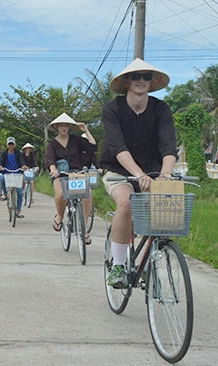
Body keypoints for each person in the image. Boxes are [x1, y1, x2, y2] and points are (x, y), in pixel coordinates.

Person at [100, 58, 177, 289]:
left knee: (160, 214)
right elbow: (118, 147)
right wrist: (138, 174)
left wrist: (165, 175)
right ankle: (119, 266)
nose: (141, 80)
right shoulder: (112, 109)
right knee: (126, 203)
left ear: (151, 82)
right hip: (118, 171)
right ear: (126, 81)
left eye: (146, 76)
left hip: (152, 171)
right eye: (136, 76)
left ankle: (147, 262)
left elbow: (168, 146)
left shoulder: (161, 109)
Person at [44, 112, 96, 244]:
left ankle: (84, 228)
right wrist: (53, 169)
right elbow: (49, 160)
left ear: (69, 127)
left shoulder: (76, 140)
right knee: (60, 194)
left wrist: (86, 130)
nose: (63, 127)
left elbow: (92, 147)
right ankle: (60, 216)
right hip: (60, 175)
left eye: (66, 125)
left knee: (88, 193)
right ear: (56, 127)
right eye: (60, 125)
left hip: (76, 174)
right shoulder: (52, 144)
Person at [0, 137, 28, 218]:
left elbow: (21, 160)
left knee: (20, 192)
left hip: (17, 173)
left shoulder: (18, 153)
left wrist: (23, 165)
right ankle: (6, 193)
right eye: (9, 144)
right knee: (2, 179)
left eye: (12, 144)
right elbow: (1, 161)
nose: (11, 146)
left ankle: (18, 210)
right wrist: (0, 166)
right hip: (6, 172)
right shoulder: (4, 153)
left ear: (15, 145)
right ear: (7, 145)